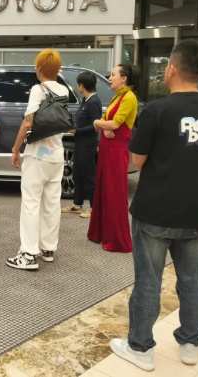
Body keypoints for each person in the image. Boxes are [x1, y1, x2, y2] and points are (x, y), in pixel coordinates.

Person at [110, 40, 198, 372]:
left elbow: (138, 159)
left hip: (155, 211)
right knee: (192, 280)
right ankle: (190, 342)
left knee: (148, 281)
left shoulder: (158, 110)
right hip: (196, 212)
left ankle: (141, 347)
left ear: (172, 68)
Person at [7, 49, 69, 270]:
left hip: (37, 155)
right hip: (57, 155)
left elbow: (28, 122)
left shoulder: (37, 89)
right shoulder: (63, 89)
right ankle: (48, 249)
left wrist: (16, 149)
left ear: (40, 68)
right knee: (52, 203)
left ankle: (28, 254)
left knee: (31, 203)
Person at [87, 63, 139, 253]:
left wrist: (97, 122)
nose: (109, 78)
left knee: (115, 193)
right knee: (103, 190)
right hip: (108, 147)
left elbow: (114, 124)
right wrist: (104, 124)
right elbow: (108, 121)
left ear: (124, 78)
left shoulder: (129, 97)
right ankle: (101, 233)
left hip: (116, 150)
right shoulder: (118, 96)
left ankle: (117, 240)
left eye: (113, 75)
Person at [62, 71, 102, 217]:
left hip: (88, 144)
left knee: (89, 177)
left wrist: (77, 130)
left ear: (82, 85)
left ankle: (94, 208)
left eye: (78, 84)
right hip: (79, 143)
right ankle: (77, 204)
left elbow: (96, 125)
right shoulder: (86, 100)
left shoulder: (94, 102)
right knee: (77, 174)